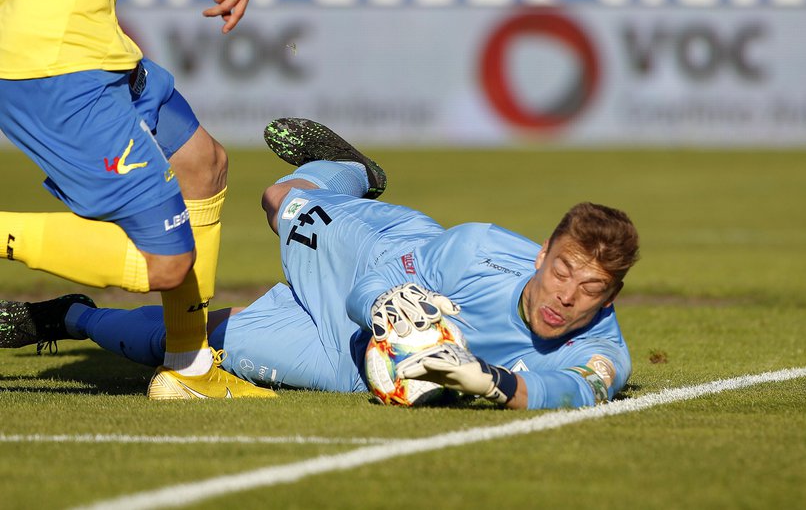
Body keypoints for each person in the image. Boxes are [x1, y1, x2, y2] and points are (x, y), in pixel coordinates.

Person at [0, 119, 640, 409]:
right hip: (375, 256)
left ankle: (66, 318)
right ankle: (355, 172)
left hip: (345, 358)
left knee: (180, 347)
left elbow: (577, 390)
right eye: (562, 270)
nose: (567, 297)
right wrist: (395, 313)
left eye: (591, 289)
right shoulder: (476, 250)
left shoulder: (602, 346)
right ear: (542, 254)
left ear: (609, 298)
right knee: (278, 199)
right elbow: (372, 282)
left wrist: (496, 384)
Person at [0, 0, 274, 398]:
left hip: (99, 51)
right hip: (59, 67)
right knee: (167, 265)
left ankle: (187, 369)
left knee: (202, 163)